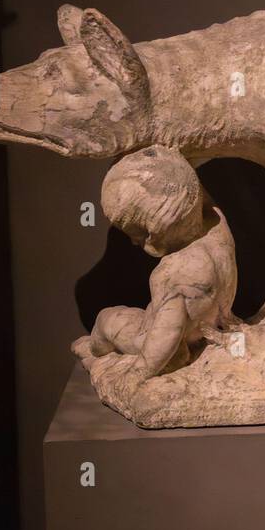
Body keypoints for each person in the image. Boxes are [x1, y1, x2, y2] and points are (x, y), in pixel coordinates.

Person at [72, 146, 237, 380]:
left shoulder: (174, 274)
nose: (132, 242)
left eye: (135, 235)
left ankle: (95, 349)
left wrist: (140, 372)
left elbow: (167, 333)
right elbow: (189, 185)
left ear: (152, 239)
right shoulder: (216, 227)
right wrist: (173, 161)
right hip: (206, 324)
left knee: (107, 318)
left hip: (159, 341)